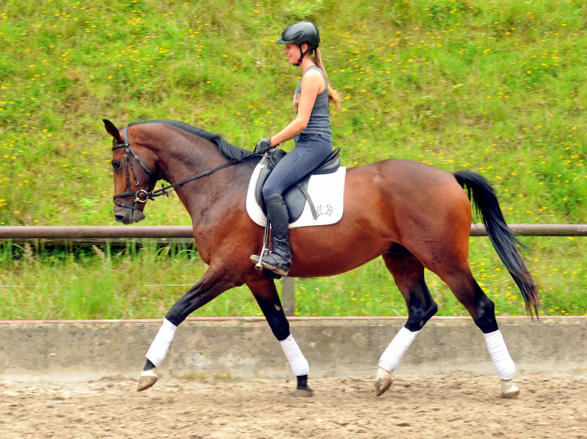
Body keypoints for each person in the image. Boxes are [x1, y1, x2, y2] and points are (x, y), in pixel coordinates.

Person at [250, 21, 341, 276]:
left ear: (304, 47)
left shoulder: (312, 77)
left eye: (289, 47)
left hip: (313, 144)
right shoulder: (308, 76)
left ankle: (281, 254)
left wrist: (272, 140)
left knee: (270, 188)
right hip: (308, 143)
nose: (285, 52)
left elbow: (301, 122)